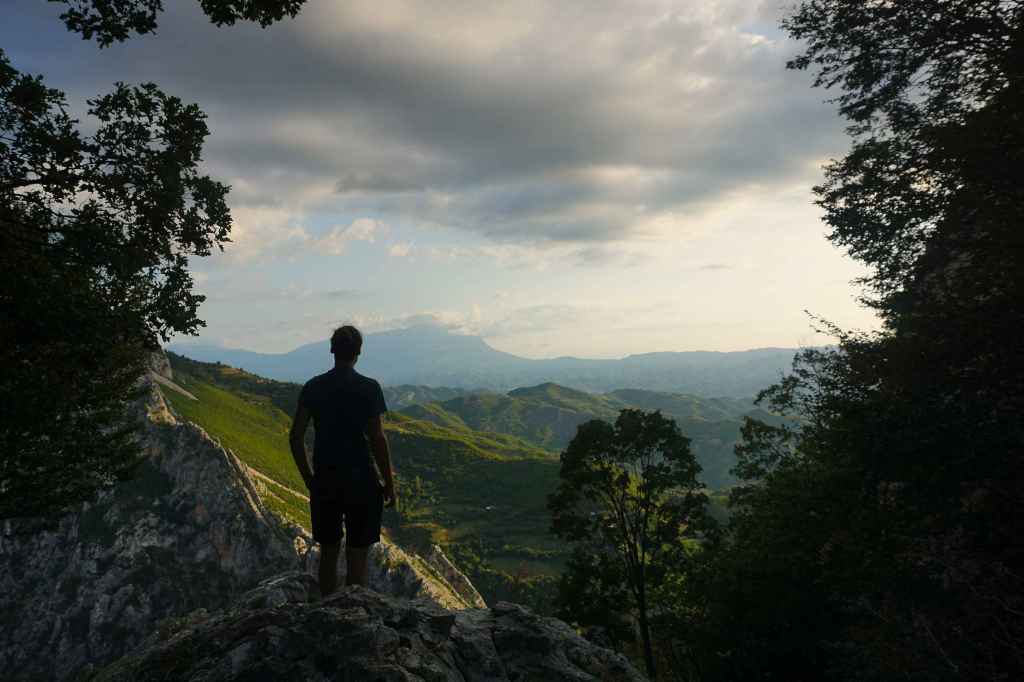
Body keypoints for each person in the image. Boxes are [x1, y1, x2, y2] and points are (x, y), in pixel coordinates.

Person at [289, 325, 397, 595]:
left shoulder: (313, 387)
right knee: (357, 555)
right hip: (363, 481)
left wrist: (310, 480)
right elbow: (377, 439)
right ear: (358, 352)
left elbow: (295, 437)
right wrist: (389, 482)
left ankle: (327, 614)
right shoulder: (369, 389)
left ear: (332, 350)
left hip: (326, 481)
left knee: (328, 551)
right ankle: (354, 616)